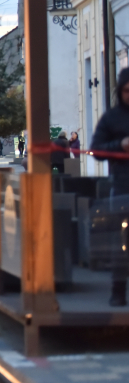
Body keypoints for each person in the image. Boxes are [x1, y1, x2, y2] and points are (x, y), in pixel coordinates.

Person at [90, 67, 129, 306]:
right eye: (126, 91)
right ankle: (118, 291)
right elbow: (96, 149)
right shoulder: (111, 118)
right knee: (120, 242)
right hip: (122, 186)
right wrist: (120, 145)